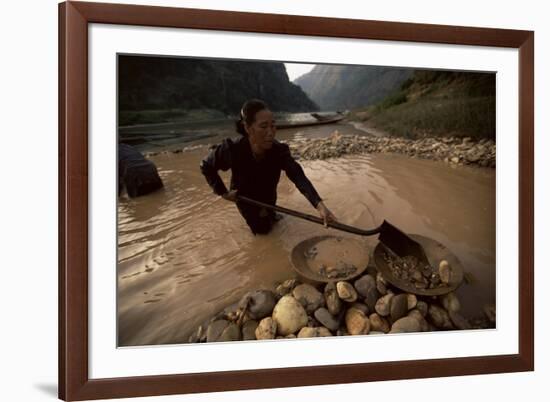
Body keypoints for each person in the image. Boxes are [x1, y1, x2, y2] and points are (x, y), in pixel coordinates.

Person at [200, 99, 336, 235]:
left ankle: (271, 215)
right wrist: (223, 193)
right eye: (264, 127)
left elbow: (297, 175)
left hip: (269, 195)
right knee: (263, 231)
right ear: (247, 128)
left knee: (273, 218)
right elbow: (206, 166)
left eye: (273, 126)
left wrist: (320, 206)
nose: (270, 132)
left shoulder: (278, 150)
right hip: (246, 199)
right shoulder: (232, 149)